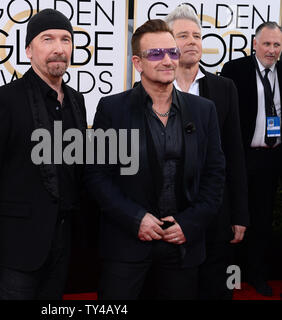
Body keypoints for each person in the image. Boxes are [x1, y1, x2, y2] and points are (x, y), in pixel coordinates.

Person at [84, 19, 225, 300]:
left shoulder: (203, 111)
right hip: (127, 245)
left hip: (182, 245)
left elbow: (215, 174)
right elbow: (97, 176)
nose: (167, 60)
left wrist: (190, 223)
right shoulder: (112, 109)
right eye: (155, 54)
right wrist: (136, 219)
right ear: (138, 63)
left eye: (172, 52)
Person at [0, 9, 87, 299]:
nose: (59, 48)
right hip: (16, 249)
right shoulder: (4, 100)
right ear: (28, 50)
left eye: (66, 40)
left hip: (62, 243)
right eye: (48, 39)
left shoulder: (76, 100)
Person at [164, 5, 249, 299]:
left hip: (216, 209)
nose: (192, 41)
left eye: (197, 36)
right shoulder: (149, 88)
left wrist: (239, 213)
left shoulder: (224, 88)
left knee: (219, 286)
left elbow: (235, 154)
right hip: (169, 213)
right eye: (183, 35)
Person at [221, 21, 282, 296]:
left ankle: (257, 276)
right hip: (241, 157)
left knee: (262, 219)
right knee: (235, 219)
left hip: (272, 158)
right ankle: (230, 278)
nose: (271, 50)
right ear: (254, 44)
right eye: (267, 43)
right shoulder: (235, 70)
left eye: (277, 44)